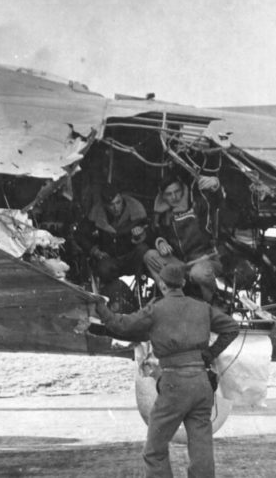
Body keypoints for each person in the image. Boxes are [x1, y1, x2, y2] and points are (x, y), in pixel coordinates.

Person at [95, 263, 239, 478]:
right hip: (201, 382)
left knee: (154, 451)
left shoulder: (155, 310)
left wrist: (101, 308)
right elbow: (232, 328)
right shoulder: (202, 307)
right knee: (201, 448)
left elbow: (121, 326)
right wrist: (209, 354)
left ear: (161, 284)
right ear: (182, 283)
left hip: (174, 383)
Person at [144, 174, 223, 302]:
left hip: (206, 259)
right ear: (162, 196)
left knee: (198, 273)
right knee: (149, 256)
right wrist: (160, 242)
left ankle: (213, 304)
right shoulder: (161, 214)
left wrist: (215, 185)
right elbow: (153, 233)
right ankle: (172, 299)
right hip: (182, 264)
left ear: (183, 189)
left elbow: (216, 202)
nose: (174, 197)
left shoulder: (196, 202)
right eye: (169, 194)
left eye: (177, 192)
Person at [76, 184, 150, 285]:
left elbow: (152, 233)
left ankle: (141, 288)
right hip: (110, 260)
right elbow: (80, 235)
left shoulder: (136, 210)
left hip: (131, 257)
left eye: (118, 202)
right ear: (105, 205)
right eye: (111, 205)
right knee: (103, 268)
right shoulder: (96, 214)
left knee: (143, 250)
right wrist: (95, 251)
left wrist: (142, 234)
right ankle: (113, 292)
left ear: (122, 199)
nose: (116, 208)